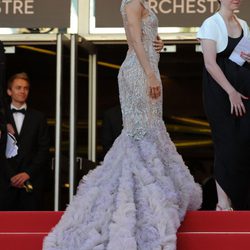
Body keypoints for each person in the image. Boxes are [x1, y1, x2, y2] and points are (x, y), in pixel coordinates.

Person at [43, 1, 201, 249]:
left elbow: (145, 39)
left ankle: (149, 199)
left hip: (148, 67)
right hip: (139, 72)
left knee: (150, 134)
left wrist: (157, 45)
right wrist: (149, 72)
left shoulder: (143, 3)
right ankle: (136, 204)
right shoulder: (132, 3)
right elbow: (135, 41)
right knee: (140, 136)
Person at [197, 0, 250, 210]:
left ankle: (241, 200)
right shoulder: (211, 23)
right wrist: (230, 92)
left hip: (243, 89)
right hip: (220, 92)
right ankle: (223, 202)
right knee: (226, 142)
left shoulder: (244, 24)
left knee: (244, 141)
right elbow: (210, 63)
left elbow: (242, 59)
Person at [0, 72, 50, 211]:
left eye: (26, 88)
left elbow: (43, 149)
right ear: (9, 91)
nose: (22, 91)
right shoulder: (1, 118)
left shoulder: (39, 117)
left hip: (31, 183)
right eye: (18, 87)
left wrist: (28, 173)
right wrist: (11, 175)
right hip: (4, 184)